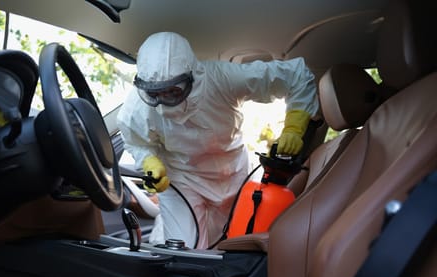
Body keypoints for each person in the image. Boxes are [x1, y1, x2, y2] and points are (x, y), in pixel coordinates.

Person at [117, 32, 319, 249]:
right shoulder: (136, 108)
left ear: (191, 76)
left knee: (231, 242)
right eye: (154, 93)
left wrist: (294, 129)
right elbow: (137, 141)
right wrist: (149, 162)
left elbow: (296, 75)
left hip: (233, 173)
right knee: (184, 248)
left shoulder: (222, 78)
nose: (162, 101)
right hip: (182, 177)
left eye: (172, 91)